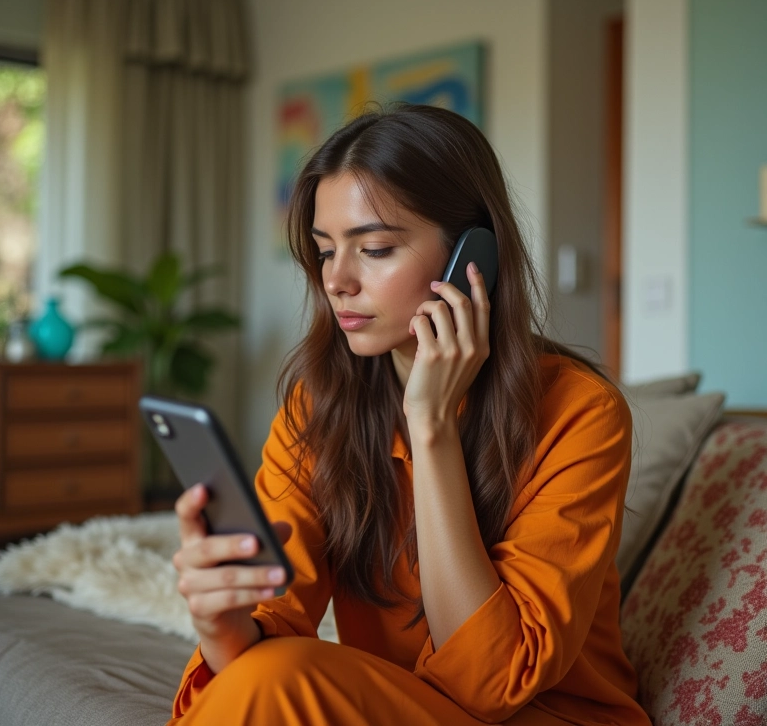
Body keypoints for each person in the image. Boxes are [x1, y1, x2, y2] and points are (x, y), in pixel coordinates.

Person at [167, 104, 651, 725]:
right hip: (398, 708)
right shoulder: (317, 406)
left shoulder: (582, 413)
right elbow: (259, 641)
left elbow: (492, 684)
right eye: (324, 251)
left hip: (544, 717)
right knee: (262, 674)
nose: (336, 280)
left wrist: (431, 425)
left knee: (276, 678)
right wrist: (222, 623)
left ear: (472, 258)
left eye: (374, 249)